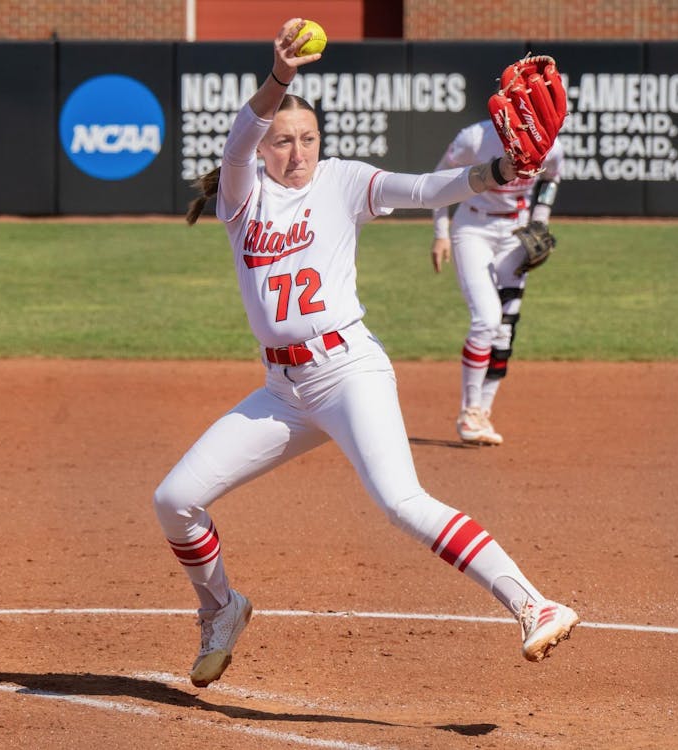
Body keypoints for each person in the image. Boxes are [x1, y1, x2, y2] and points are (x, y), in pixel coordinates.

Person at [153, 18, 579, 689]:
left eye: (308, 139)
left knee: (400, 500)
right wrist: (281, 78)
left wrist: (500, 170)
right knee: (175, 498)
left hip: (349, 371)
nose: (298, 152)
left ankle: (532, 602)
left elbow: (425, 189)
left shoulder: (341, 181)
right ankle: (222, 610)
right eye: (284, 140)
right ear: (264, 148)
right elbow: (239, 137)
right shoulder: (242, 197)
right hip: (281, 392)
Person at [431, 122, 564, 445]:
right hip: (473, 228)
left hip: (516, 234)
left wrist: (540, 220)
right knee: (487, 319)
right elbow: (438, 178)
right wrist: (441, 233)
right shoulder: (475, 137)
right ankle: (469, 412)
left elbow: (551, 177)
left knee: (505, 327)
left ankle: (481, 414)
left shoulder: (549, 142)